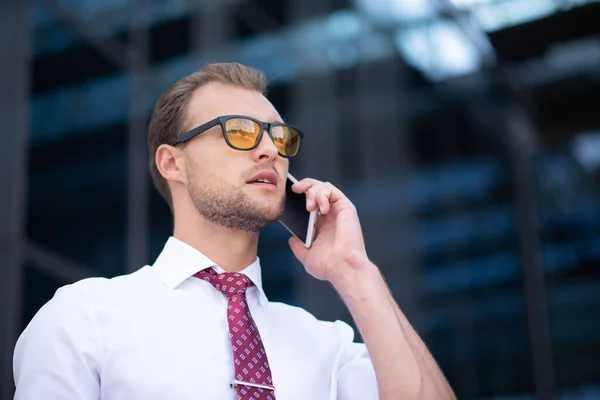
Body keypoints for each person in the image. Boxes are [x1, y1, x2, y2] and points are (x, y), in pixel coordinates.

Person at [13, 62, 455, 400]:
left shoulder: (327, 344)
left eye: (279, 137)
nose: (269, 150)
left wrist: (356, 272)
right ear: (173, 162)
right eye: (239, 131)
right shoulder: (85, 318)